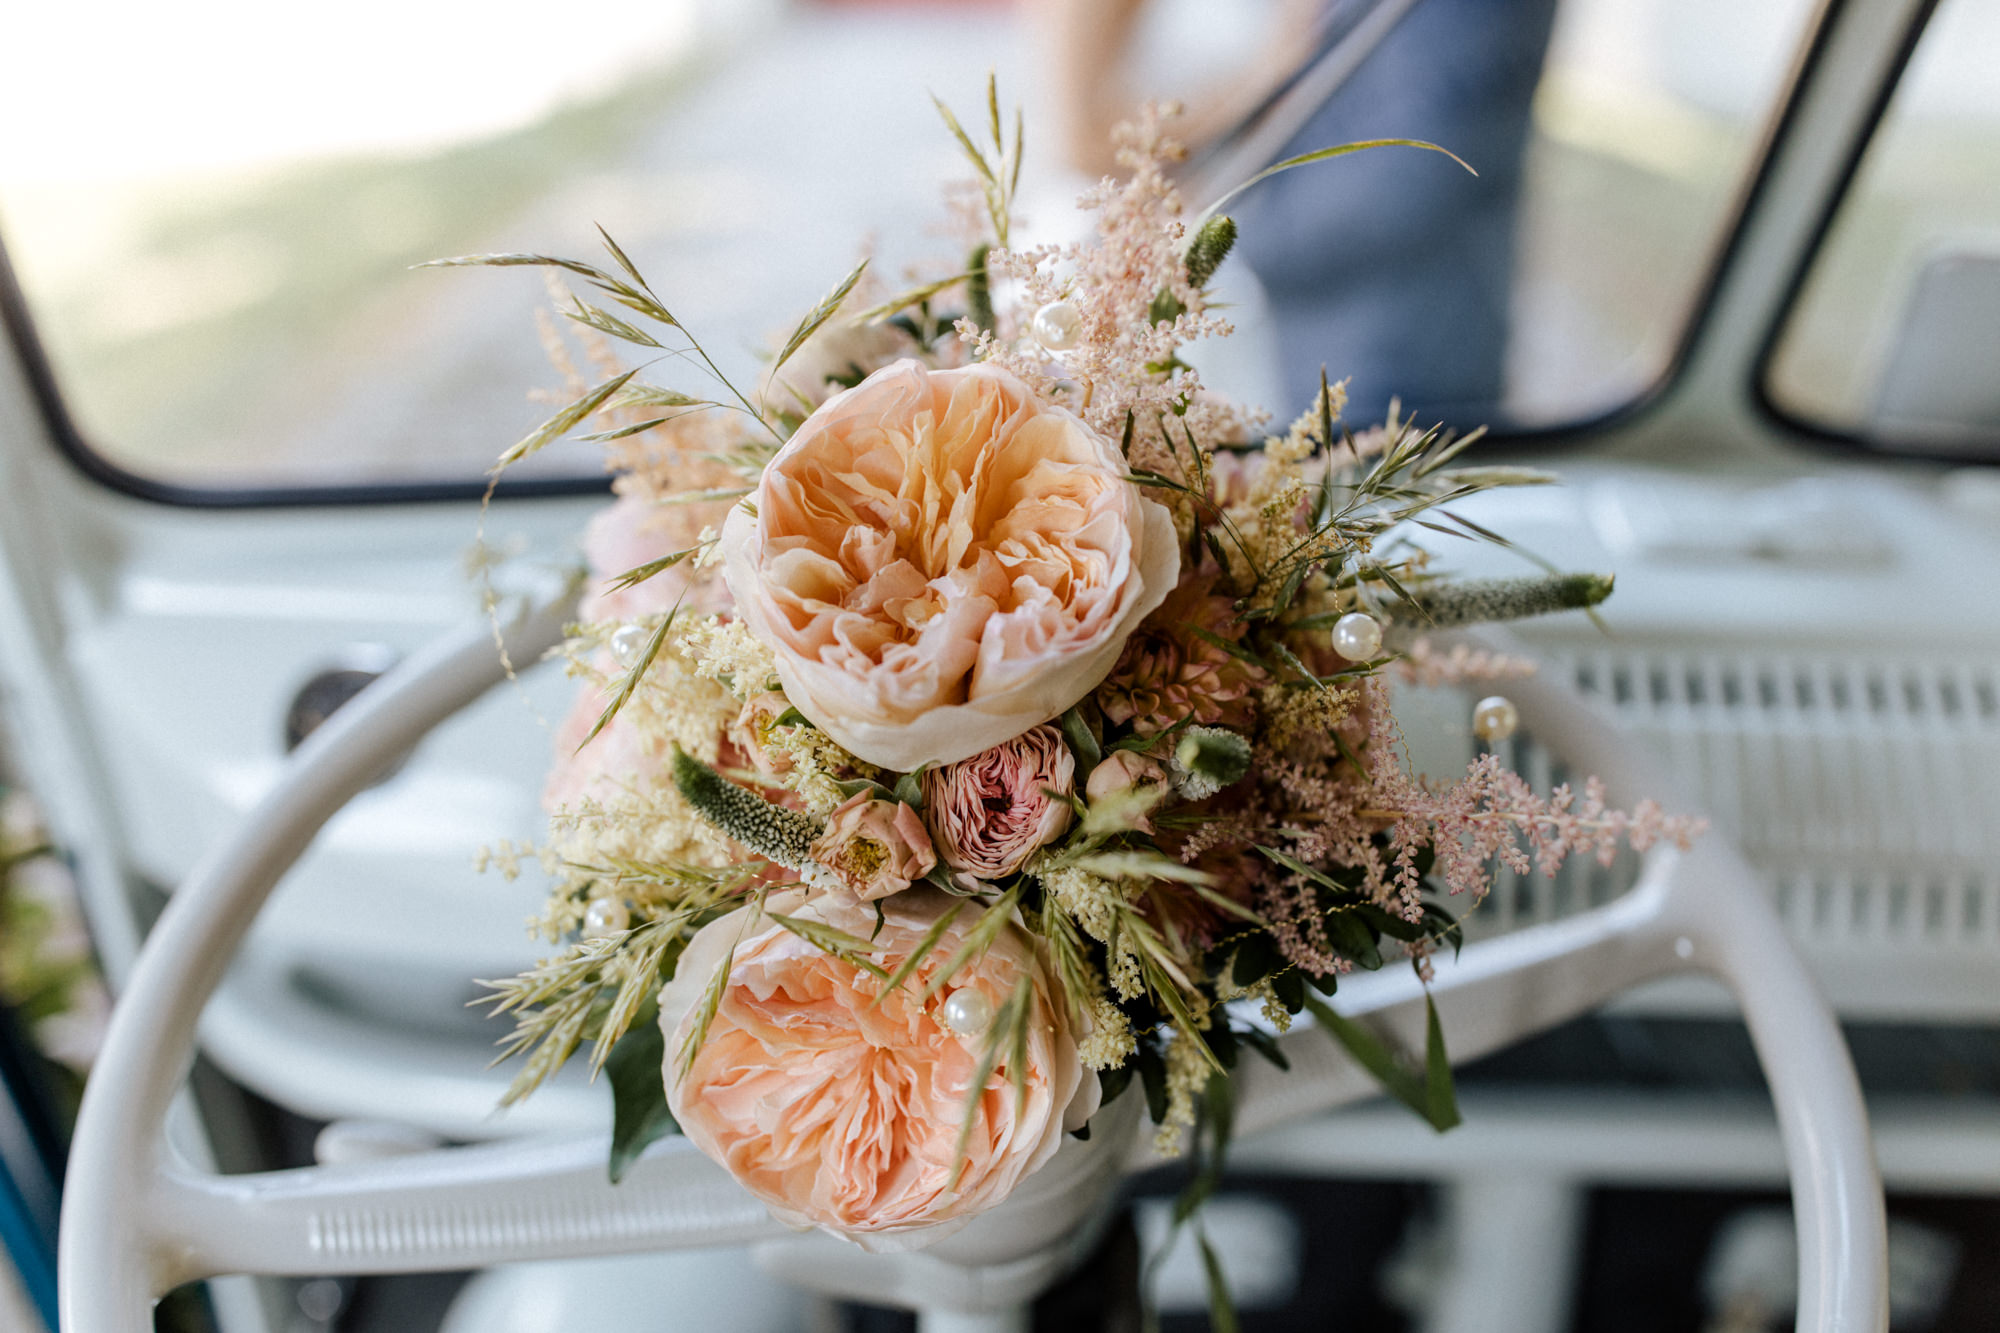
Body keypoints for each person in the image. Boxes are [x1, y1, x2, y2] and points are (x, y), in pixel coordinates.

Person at [1031, 0, 1560, 428]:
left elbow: (1423, 160)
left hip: (1370, 333)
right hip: (1150, 276)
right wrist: (1269, 83)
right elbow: (1084, 134)